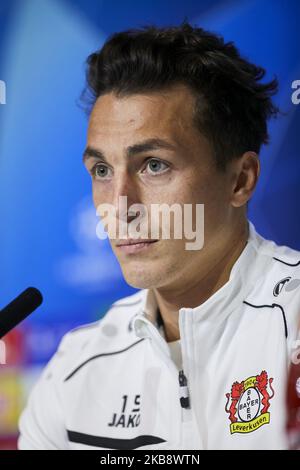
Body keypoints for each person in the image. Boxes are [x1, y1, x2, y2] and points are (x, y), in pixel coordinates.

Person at [18, 21, 300, 450]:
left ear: (240, 180)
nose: (120, 206)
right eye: (101, 170)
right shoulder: (74, 370)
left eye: (154, 165)